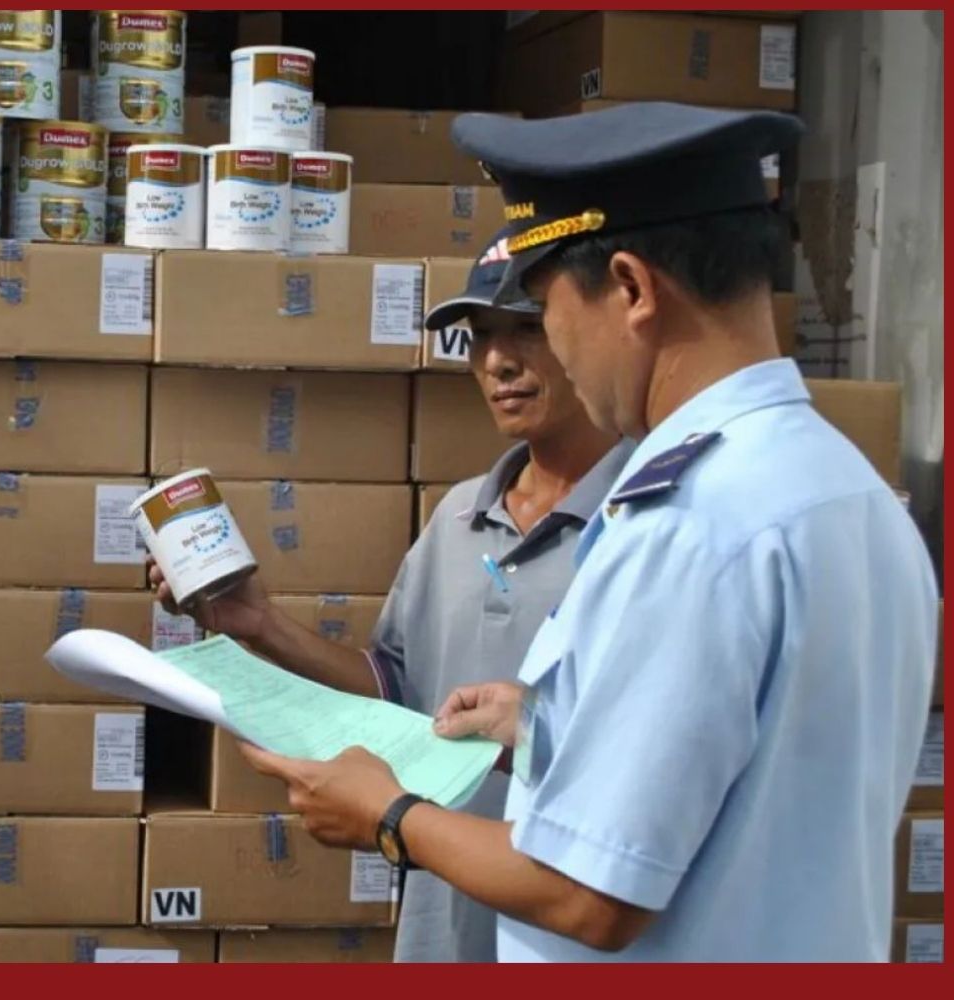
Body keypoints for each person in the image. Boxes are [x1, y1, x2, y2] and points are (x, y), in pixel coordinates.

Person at [238, 102, 938, 961]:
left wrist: (388, 814)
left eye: (544, 309)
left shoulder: (690, 525)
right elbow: (763, 774)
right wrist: (550, 732)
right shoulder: (851, 491)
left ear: (632, 289)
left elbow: (589, 894)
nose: (539, 353)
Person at [152, 227, 631, 962]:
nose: (498, 361)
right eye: (481, 336)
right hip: (444, 928)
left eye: (527, 329)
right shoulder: (459, 517)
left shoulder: (643, 527)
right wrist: (260, 624)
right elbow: (397, 696)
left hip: (577, 932)